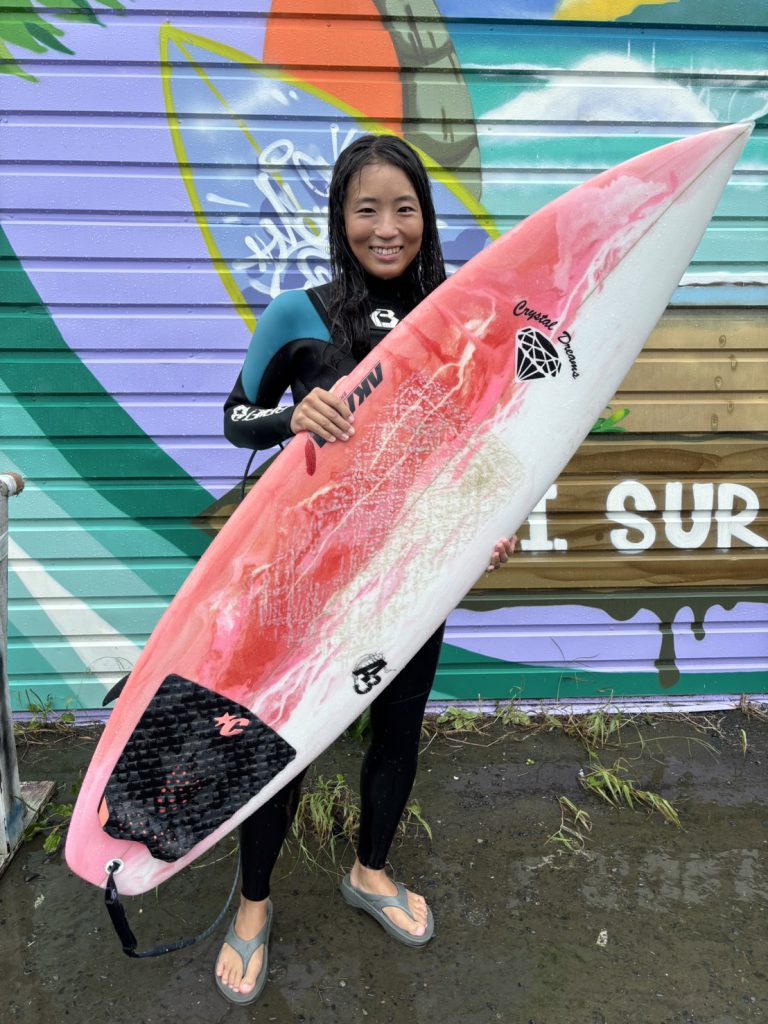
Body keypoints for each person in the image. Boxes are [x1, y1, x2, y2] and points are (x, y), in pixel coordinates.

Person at [216, 133, 516, 1004]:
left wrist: (484, 525)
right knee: (284, 740)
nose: (387, 228)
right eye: (366, 210)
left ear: (426, 214)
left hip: (412, 566)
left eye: (405, 208)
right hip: (306, 573)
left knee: (398, 728)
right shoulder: (297, 313)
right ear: (340, 219)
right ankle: (253, 900)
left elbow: (475, 442)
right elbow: (235, 414)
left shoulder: (457, 312)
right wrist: (289, 416)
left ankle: (370, 870)